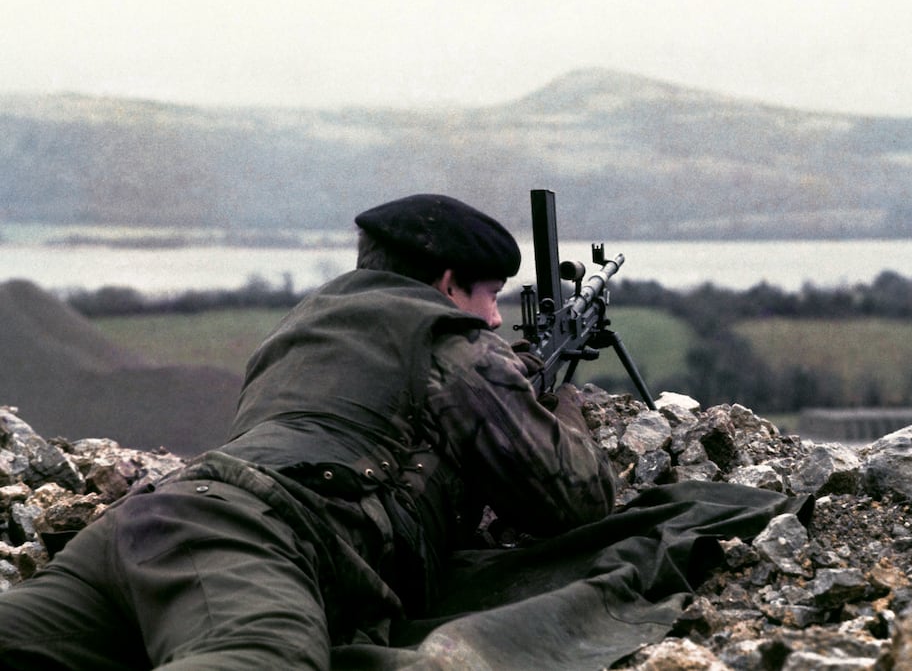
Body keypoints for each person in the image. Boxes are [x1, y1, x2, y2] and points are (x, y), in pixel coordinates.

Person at [0, 194, 616, 669]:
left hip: (145, 523)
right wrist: (561, 407)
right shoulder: (448, 341)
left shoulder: (303, 328)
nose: (495, 319)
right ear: (447, 283)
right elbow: (576, 497)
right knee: (265, 657)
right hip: (256, 539)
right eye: (490, 296)